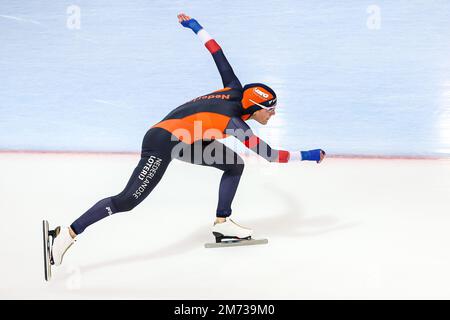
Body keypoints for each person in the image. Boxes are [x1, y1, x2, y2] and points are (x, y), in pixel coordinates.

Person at [49, 13, 326, 266]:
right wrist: (310, 155)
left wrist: (195, 26)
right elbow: (271, 156)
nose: (274, 114)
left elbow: (217, 52)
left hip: (186, 141)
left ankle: (222, 223)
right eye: (270, 109)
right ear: (253, 108)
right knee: (127, 200)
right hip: (161, 142)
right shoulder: (235, 124)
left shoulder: (234, 88)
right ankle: (66, 234)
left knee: (234, 165)